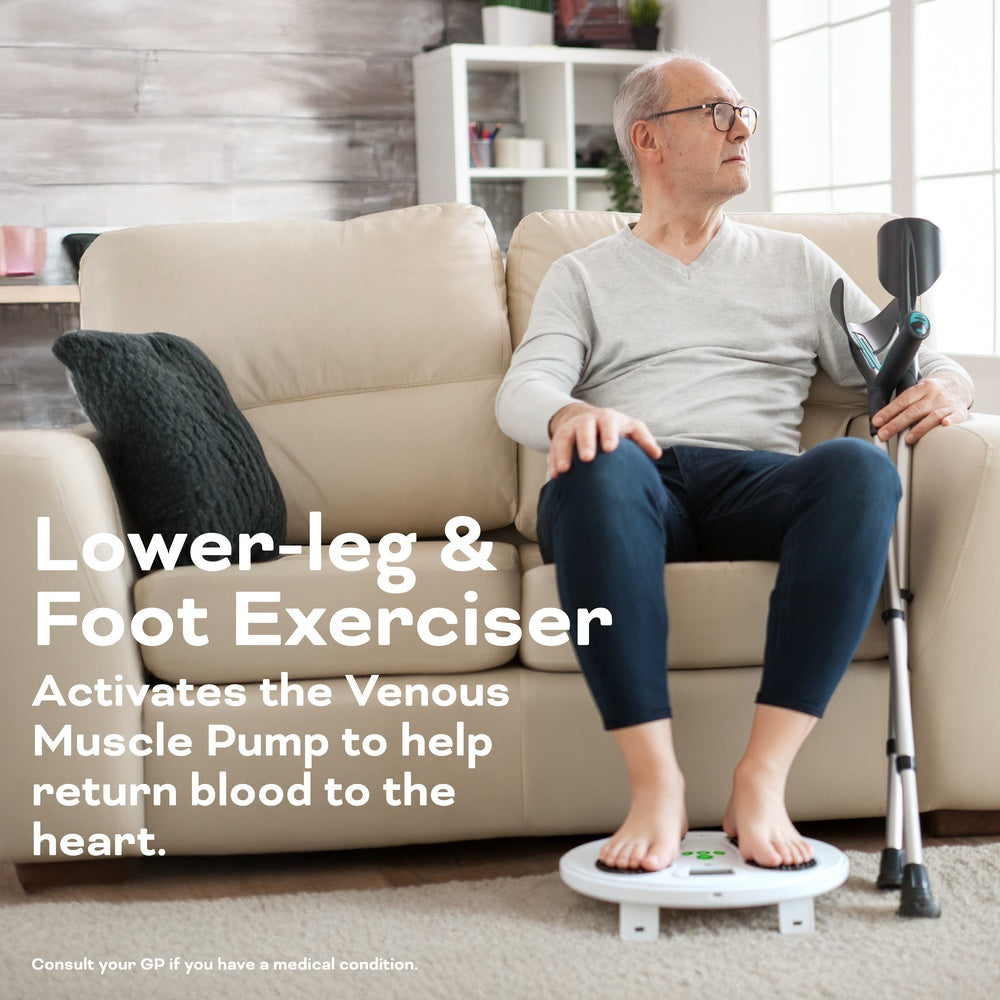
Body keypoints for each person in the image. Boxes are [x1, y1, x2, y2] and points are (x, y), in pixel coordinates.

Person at [495, 52, 974, 873]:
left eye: (744, 111)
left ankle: (762, 778)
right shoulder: (582, 275)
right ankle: (656, 785)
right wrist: (572, 411)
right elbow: (525, 387)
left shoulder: (794, 264)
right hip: (638, 474)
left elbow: (906, 358)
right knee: (594, 463)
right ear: (648, 140)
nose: (743, 127)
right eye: (717, 112)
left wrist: (952, 386)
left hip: (760, 481)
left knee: (860, 470)